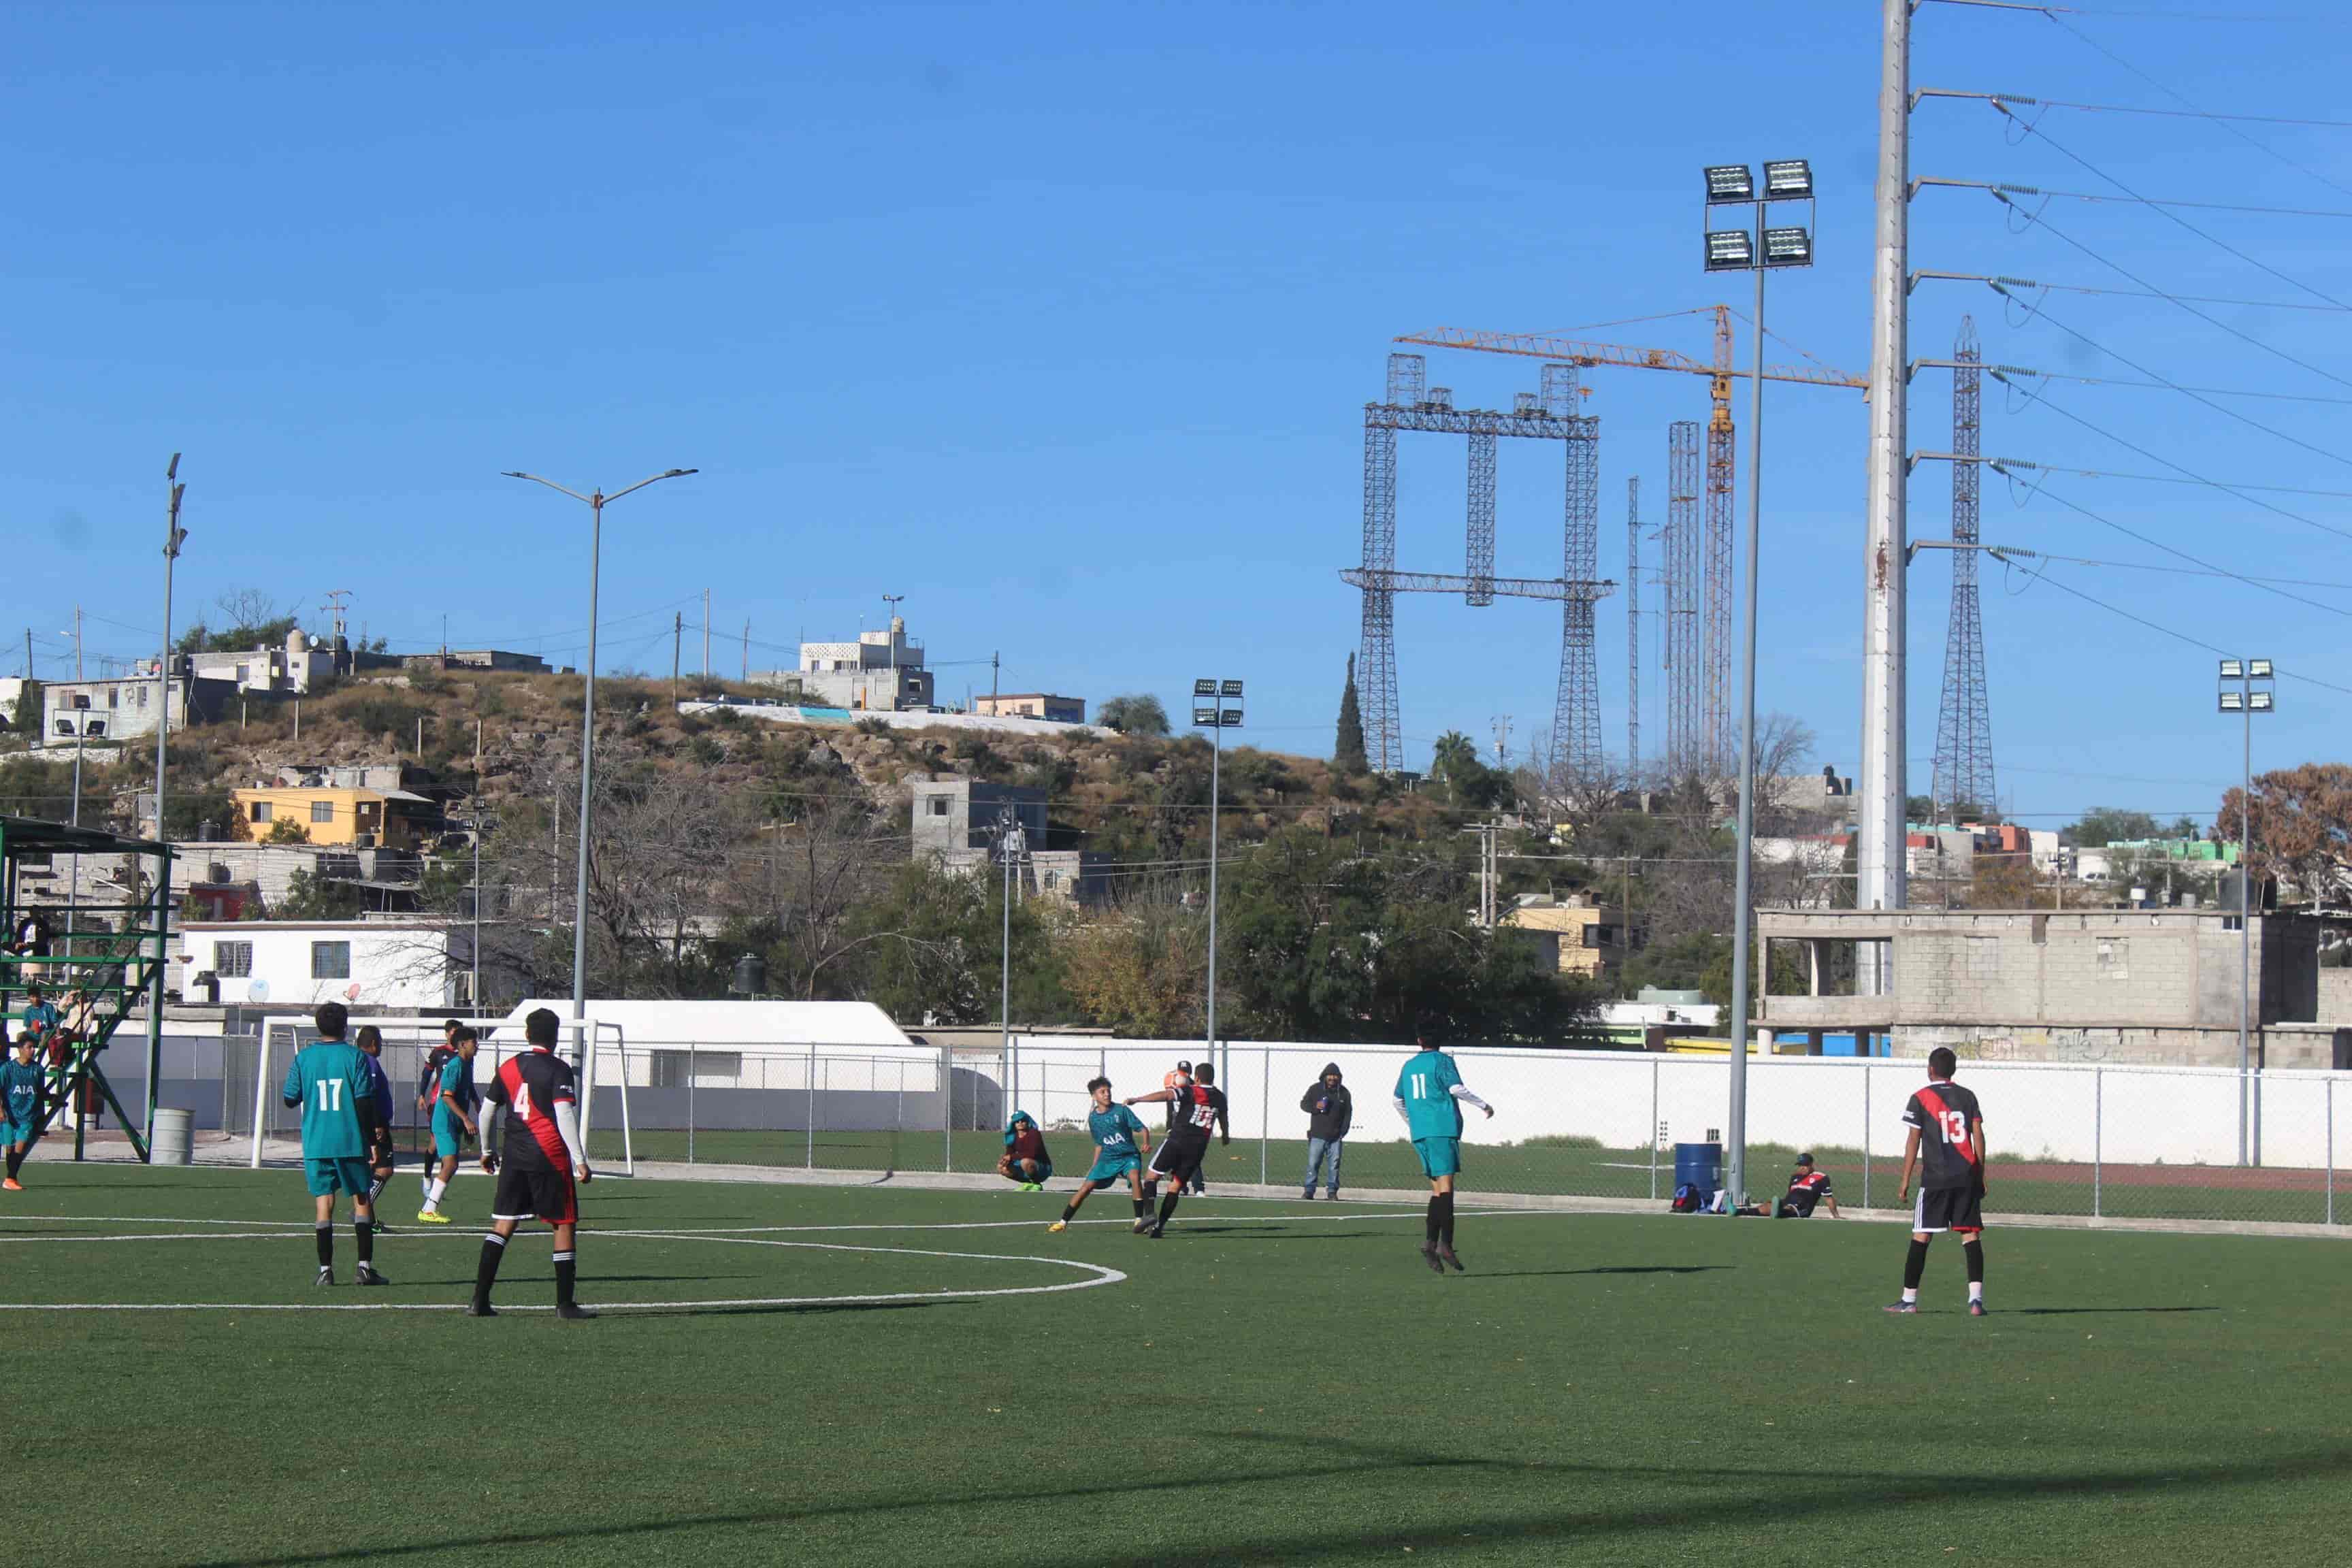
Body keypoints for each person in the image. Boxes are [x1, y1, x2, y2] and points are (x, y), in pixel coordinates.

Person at [470, 1007, 593, 1319]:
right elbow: (564, 1114)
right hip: (549, 1155)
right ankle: (565, 1305)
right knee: (563, 1222)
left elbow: (486, 1113)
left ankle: (479, 1300)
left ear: (527, 1034)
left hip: (514, 1157)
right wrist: (579, 1160)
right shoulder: (558, 1069)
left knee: (504, 1224)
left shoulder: (508, 1067)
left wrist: (486, 1150)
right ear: (554, 1037)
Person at [279, 1001, 390, 1287]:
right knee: (361, 1199)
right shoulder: (355, 1057)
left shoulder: (304, 1059)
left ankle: (325, 1270)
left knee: (323, 1203)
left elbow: (290, 1098)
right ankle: (364, 1268)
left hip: (317, 1142)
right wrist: (371, 1142)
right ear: (345, 1026)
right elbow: (364, 1102)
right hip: (350, 1140)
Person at [1886, 1047, 1989, 1317]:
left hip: (1936, 1178)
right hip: (1966, 1175)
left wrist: (1905, 1179)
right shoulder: (1968, 1096)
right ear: (1953, 1070)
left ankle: (1909, 1300)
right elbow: (1978, 1136)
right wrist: (1981, 1173)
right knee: (1970, 1234)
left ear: (1931, 1069)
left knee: (1922, 1235)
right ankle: (1976, 1301)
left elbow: (1913, 1140)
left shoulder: (1920, 1098)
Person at [1394, 1028, 1493, 1275]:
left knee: (1438, 1189)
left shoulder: (1409, 1065)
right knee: (1447, 1188)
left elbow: (1397, 1100)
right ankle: (1445, 1244)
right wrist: (1484, 1105)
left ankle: (1430, 1243)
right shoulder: (1443, 1061)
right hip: (1441, 1129)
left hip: (1421, 1134)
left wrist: (1414, 1122)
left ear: (1418, 1041)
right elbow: (1456, 1089)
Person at [1124, 1060, 1228, 1238]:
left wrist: (1138, 1099)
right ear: (1213, 1078)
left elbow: (1166, 1096)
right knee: (1176, 1186)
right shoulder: (1220, 1097)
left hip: (1177, 1141)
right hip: (1197, 1148)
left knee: (1151, 1177)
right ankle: (1159, 1228)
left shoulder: (1191, 1090)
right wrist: (1226, 1135)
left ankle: (1149, 1214)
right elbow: (1224, 1119)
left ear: (1196, 1078)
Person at [1049, 1079, 1154, 1234]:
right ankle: (1063, 1222)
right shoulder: (1093, 1118)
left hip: (1128, 1156)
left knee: (1134, 1176)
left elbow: (1143, 1129)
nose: (1107, 1094)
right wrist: (1094, 1165)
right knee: (1086, 1187)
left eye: (1108, 1091)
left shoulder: (1122, 1110)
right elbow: (1099, 1144)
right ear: (1094, 1096)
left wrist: (1146, 1142)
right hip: (1108, 1159)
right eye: (1102, 1092)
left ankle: (1139, 1221)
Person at [416, 1027, 480, 1224]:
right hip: (444, 1121)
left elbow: (465, 1092)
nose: (476, 1045)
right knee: (451, 1164)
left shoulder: (468, 1064)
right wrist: (466, 1119)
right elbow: (447, 1097)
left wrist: (468, 1116)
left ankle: (429, 1207)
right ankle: (429, 1208)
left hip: (452, 1122)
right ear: (462, 1045)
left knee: (451, 1164)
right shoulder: (455, 1066)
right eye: (473, 1042)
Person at [416, 1017, 468, 1199]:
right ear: (447, 1034)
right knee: (434, 1144)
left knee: (448, 1150)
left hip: (455, 1105)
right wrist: (422, 1095)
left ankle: (439, 1182)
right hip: (439, 1103)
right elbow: (427, 1073)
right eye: (453, 1033)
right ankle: (427, 1179)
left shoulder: (463, 1056)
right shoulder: (438, 1053)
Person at [353, 1026, 400, 1220]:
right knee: (384, 1169)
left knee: (369, 1169)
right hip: (375, 1123)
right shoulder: (369, 1062)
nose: (380, 1046)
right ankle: (363, 1208)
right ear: (373, 1044)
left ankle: (368, 1218)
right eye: (379, 1042)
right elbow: (369, 1094)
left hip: (364, 1122)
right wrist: (377, 1123)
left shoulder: (355, 1059)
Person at [1, 1030, 48, 1190]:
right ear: (20, 1049)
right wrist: (1, 1109)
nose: (33, 1050)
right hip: (10, 1115)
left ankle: (10, 1178)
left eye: (34, 1047)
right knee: (9, 1148)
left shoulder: (38, 1070)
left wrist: (48, 1100)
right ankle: (10, 1178)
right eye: (29, 1047)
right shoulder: (7, 1069)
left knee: (20, 1147)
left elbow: (41, 1092)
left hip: (27, 1116)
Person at [1298, 1062, 1352, 1200]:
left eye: (1335, 1076)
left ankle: (1332, 1192)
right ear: (1324, 1076)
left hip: (1336, 1137)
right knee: (1313, 1164)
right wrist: (1316, 1108)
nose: (1332, 1078)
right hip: (1317, 1135)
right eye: (1330, 1075)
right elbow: (1303, 1104)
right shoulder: (1315, 1089)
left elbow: (1348, 1114)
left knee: (1334, 1166)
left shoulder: (1344, 1093)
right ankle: (1309, 1191)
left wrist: (1343, 1132)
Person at [1738, 1154, 1842, 1219]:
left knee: (1788, 1207)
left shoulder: (1821, 1178)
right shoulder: (1795, 1177)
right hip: (1788, 1201)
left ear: (1811, 1165)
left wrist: (1836, 1215)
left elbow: (1829, 1198)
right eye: (1800, 1165)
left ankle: (1778, 1210)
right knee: (1765, 1207)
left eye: (1805, 1165)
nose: (1802, 1168)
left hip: (1803, 1207)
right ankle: (1737, 1211)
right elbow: (1790, 1194)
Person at [1162, 1058, 1205, 1194]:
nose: (1183, 1075)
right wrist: (1169, 1126)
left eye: (1186, 1073)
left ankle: (1198, 1188)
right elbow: (1170, 1107)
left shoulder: (1194, 1088)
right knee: (1175, 1157)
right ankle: (1180, 1186)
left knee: (1193, 1157)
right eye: (1181, 1072)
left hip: (1191, 1126)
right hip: (1177, 1126)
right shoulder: (1173, 1086)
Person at [997, 1111, 1053, 1190]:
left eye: (1023, 1120)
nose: (1020, 1122)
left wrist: (1011, 1157)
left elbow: (1032, 1154)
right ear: (1014, 1124)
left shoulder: (1034, 1133)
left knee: (1025, 1162)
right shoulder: (1012, 1136)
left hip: (1041, 1168)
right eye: (1017, 1121)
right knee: (1002, 1167)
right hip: (1024, 1165)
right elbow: (1010, 1154)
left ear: (1027, 1122)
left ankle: (1036, 1184)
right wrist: (1005, 1160)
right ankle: (1028, 1183)